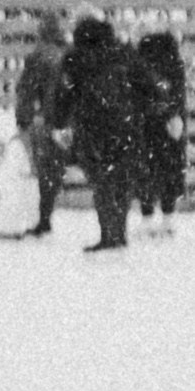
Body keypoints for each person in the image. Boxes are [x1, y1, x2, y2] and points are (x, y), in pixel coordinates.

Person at [53, 14, 142, 251]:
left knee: (102, 183)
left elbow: (64, 94)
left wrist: (59, 124)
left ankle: (108, 235)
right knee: (121, 182)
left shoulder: (75, 56)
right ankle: (119, 233)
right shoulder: (122, 52)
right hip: (125, 126)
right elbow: (146, 85)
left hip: (92, 128)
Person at [15, 13, 68, 234]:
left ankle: (43, 218)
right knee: (54, 171)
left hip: (44, 121)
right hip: (65, 120)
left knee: (44, 170)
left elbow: (26, 90)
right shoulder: (67, 54)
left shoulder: (38, 56)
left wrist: (24, 119)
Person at [131, 28, 185, 231]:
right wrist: (174, 114)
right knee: (170, 168)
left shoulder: (140, 60)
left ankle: (147, 216)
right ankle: (169, 216)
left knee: (146, 169)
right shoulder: (174, 60)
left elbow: (135, 94)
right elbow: (178, 93)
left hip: (146, 122)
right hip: (170, 123)